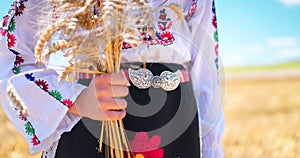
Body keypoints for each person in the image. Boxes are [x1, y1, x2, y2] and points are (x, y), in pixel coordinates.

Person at [0, 0, 225, 157]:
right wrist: (75, 101)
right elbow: (11, 57)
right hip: (92, 128)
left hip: (177, 129)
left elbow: (207, 73)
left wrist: (211, 149)